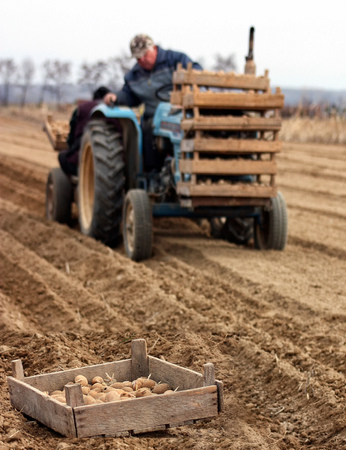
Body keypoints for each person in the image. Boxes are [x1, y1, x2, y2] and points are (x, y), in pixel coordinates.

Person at [104, 34, 202, 172]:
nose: (142, 60)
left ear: (154, 48)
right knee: (147, 129)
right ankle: (153, 173)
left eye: (145, 55)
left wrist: (186, 96)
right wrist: (116, 96)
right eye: (138, 58)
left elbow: (197, 74)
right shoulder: (134, 76)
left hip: (181, 112)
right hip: (154, 117)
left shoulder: (175, 60)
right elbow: (129, 96)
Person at [59, 86, 113, 177]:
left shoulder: (81, 108)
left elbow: (72, 134)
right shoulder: (115, 111)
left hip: (81, 156)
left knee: (62, 156)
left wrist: (70, 147)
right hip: (113, 160)